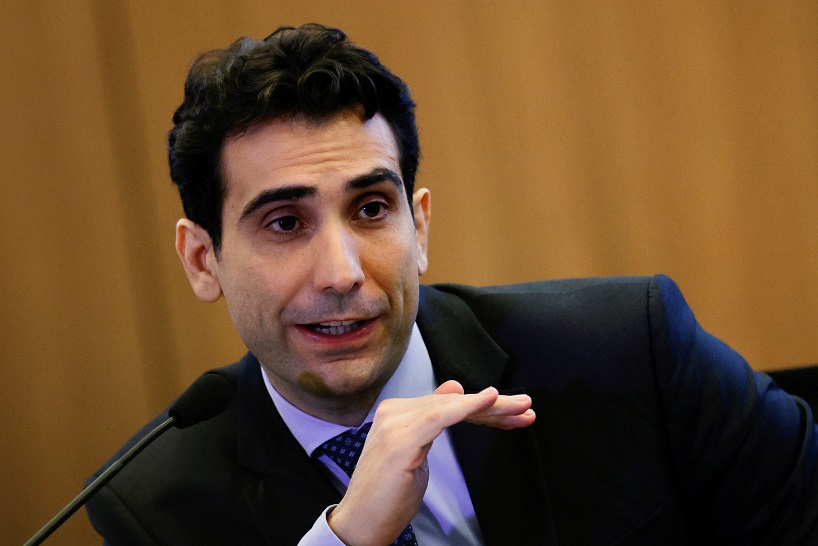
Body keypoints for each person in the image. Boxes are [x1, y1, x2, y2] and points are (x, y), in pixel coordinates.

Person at [86, 24, 818, 545]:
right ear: (202, 261)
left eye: (371, 209)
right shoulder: (156, 505)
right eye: (284, 223)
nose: (342, 273)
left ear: (421, 226)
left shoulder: (630, 350)